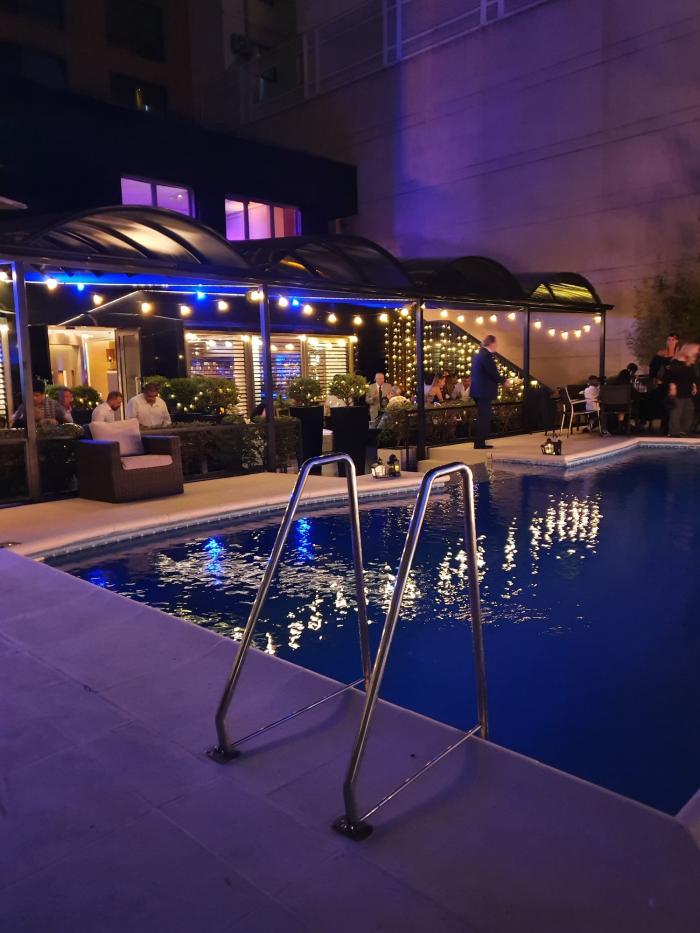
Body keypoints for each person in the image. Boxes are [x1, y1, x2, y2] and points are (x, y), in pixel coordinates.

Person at [470, 335, 509, 449]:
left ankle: (479, 442)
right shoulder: (486, 356)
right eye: (496, 343)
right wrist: (503, 381)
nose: (496, 346)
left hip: (477, 391)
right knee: (484, 417)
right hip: (484, 391)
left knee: (482, 416)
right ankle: (480, 443)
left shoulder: (478, 355)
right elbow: (492, 373)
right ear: (491, 343)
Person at [664, 343, 699, 436]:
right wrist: (672, 387)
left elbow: (692, 375)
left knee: (688, 412)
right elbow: (670, 375)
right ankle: (674, 432)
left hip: (687, 391)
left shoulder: (690, 362)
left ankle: (682, 430)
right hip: (677, 391)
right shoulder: (677, 360)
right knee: (676, 412)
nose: (697, 352)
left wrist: (694, 385)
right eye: (696, 350)